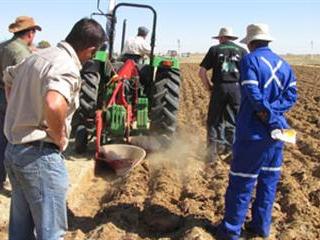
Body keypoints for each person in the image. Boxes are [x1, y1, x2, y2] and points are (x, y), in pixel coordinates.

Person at [3, 18, 105, 240]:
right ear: (90, 49)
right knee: (51, 233)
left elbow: (8, 76)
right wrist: (58, 136)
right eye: (92, 54)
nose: (91, 58)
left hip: (14, 151)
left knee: (20, 231)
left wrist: (18, 108)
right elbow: (54, 103)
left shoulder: (38, 55)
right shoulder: (66, 65)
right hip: (40, 156)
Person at [216, 23, 297, 239]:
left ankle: (231, 232)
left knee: (241, 183)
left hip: (252, 134)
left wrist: (267, 114)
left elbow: (251, 91)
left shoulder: (249, 60)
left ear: (250, 43)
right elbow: (291, 96)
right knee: (268, 184)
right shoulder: (284, 64)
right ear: (267, 41)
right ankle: (260, 228)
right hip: (276, 135)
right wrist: (275, 116)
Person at [0, 16, 41, 190]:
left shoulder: (3, 46)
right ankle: (14, 178)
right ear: (30, 33)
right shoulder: (22, 54)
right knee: (14, 140)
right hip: (12, 98)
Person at [199, 27, 247, 161]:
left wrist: (209, 87)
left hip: (219, 88)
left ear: (221, 38)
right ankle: (232, 152)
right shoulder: (243, 51)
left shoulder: (214, 50)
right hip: (236, 89)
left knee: (213, 120)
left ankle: (211, 155)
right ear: (232, 38)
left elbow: (201, 72)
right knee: (234, 120)